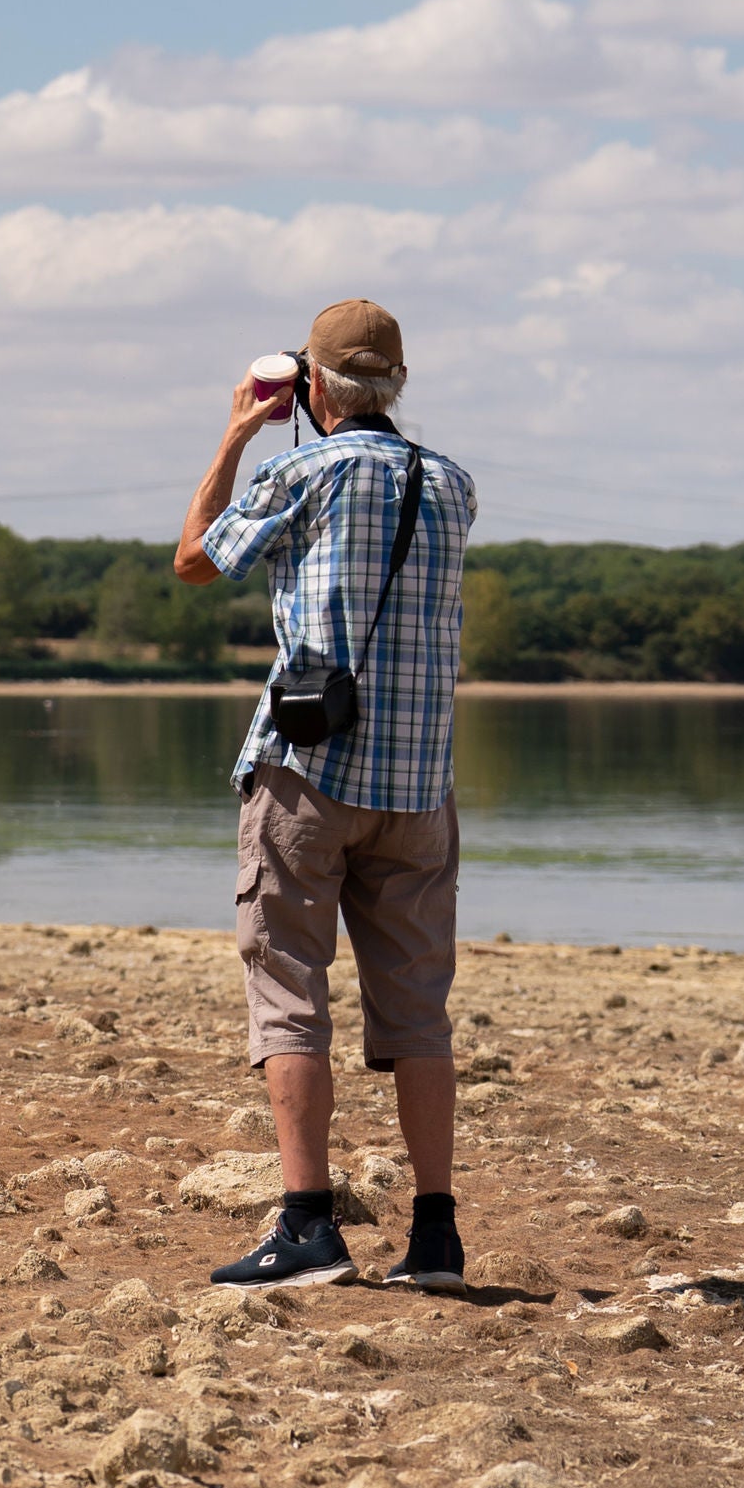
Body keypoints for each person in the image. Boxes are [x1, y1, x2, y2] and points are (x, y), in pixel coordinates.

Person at [173, 299, 477, 1290]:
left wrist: (234, 430)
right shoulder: (452, 484)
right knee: (417, 1011)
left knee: (290, 993)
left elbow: (194, 558)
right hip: (419, 785)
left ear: (310, 386)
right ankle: (434, 1236)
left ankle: (307, 1225)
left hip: (309, 772)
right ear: (394, 382)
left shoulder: (303, 468)